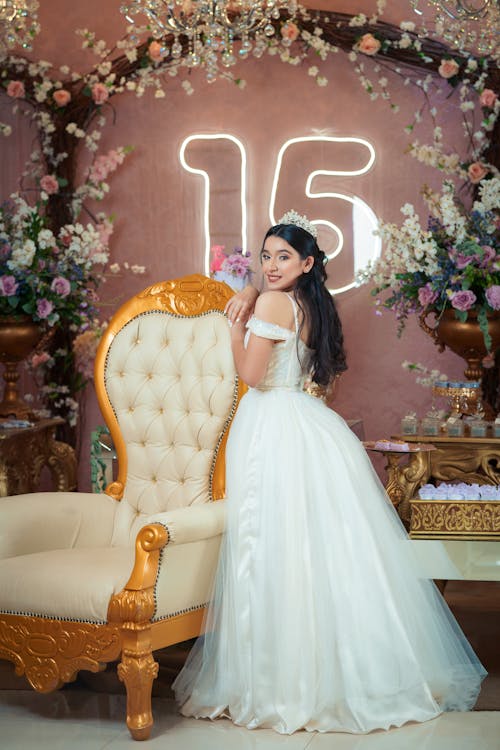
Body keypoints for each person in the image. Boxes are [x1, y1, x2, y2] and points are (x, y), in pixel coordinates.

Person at [172, 210, 486, 734]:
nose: (271, 265)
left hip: (271, 423)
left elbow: (251, 376)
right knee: (318, 550)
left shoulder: (273, 301)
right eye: (266, 255)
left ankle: (278, 679)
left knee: (271, 545)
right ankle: (344, 670)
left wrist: (233, 327)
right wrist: (251, 294)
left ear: (307, 262)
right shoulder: (308, 303)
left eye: (283, 257)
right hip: (307, 422)